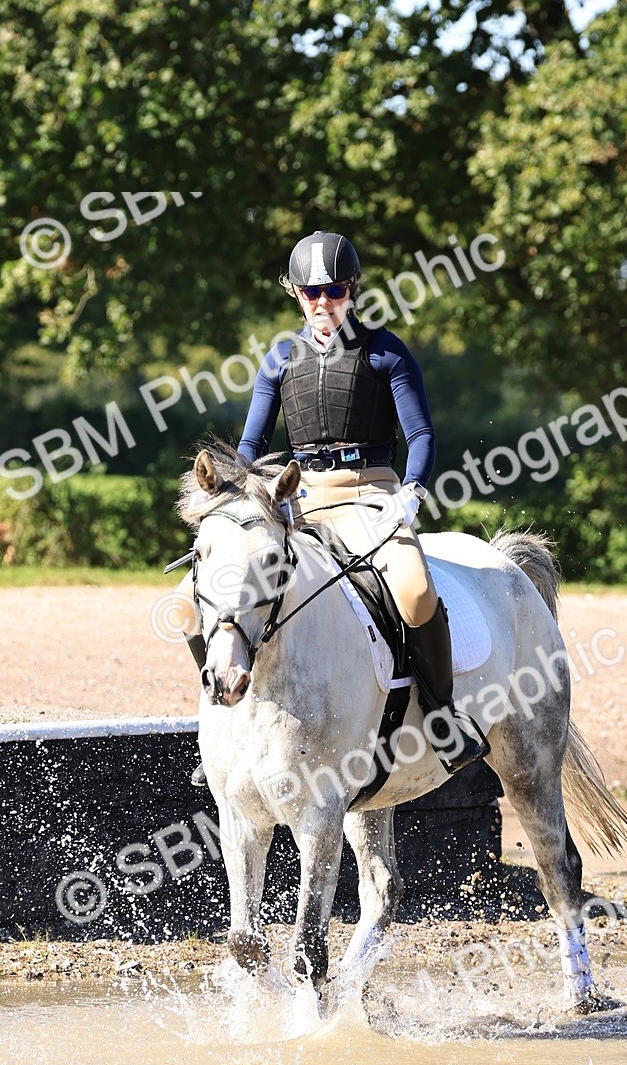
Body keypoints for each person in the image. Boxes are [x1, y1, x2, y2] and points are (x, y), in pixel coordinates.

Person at [187, 229, 487, 785]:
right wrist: (232, 492)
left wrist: (411, 494)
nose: (323, 303)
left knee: (416, 591)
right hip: (297, 498)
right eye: (310, 292)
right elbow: (251, 447)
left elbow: (420, 435)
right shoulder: (279, 359)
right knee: (191, 600)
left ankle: (443, 718)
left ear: (352, 289)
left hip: (370, 491)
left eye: (334, 290)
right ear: (295, 294)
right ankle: (222, 712)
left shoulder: (385, 352)